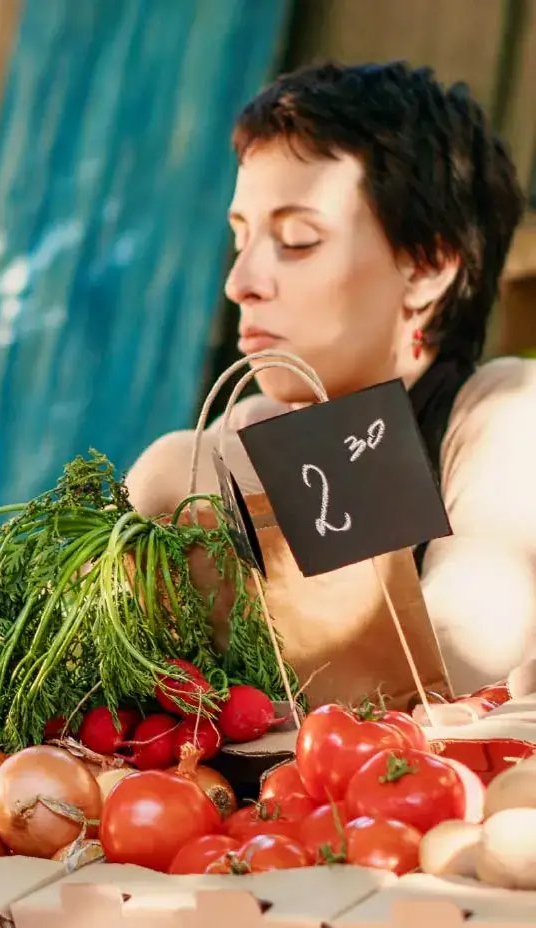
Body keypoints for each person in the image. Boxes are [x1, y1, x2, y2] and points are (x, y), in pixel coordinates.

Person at [127, 61, 535, 696]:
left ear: (428, 266)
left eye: (296, 240)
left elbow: (461, 663)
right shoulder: (245, 427)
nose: (241, 284)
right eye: (242, 238)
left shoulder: (505, 412)